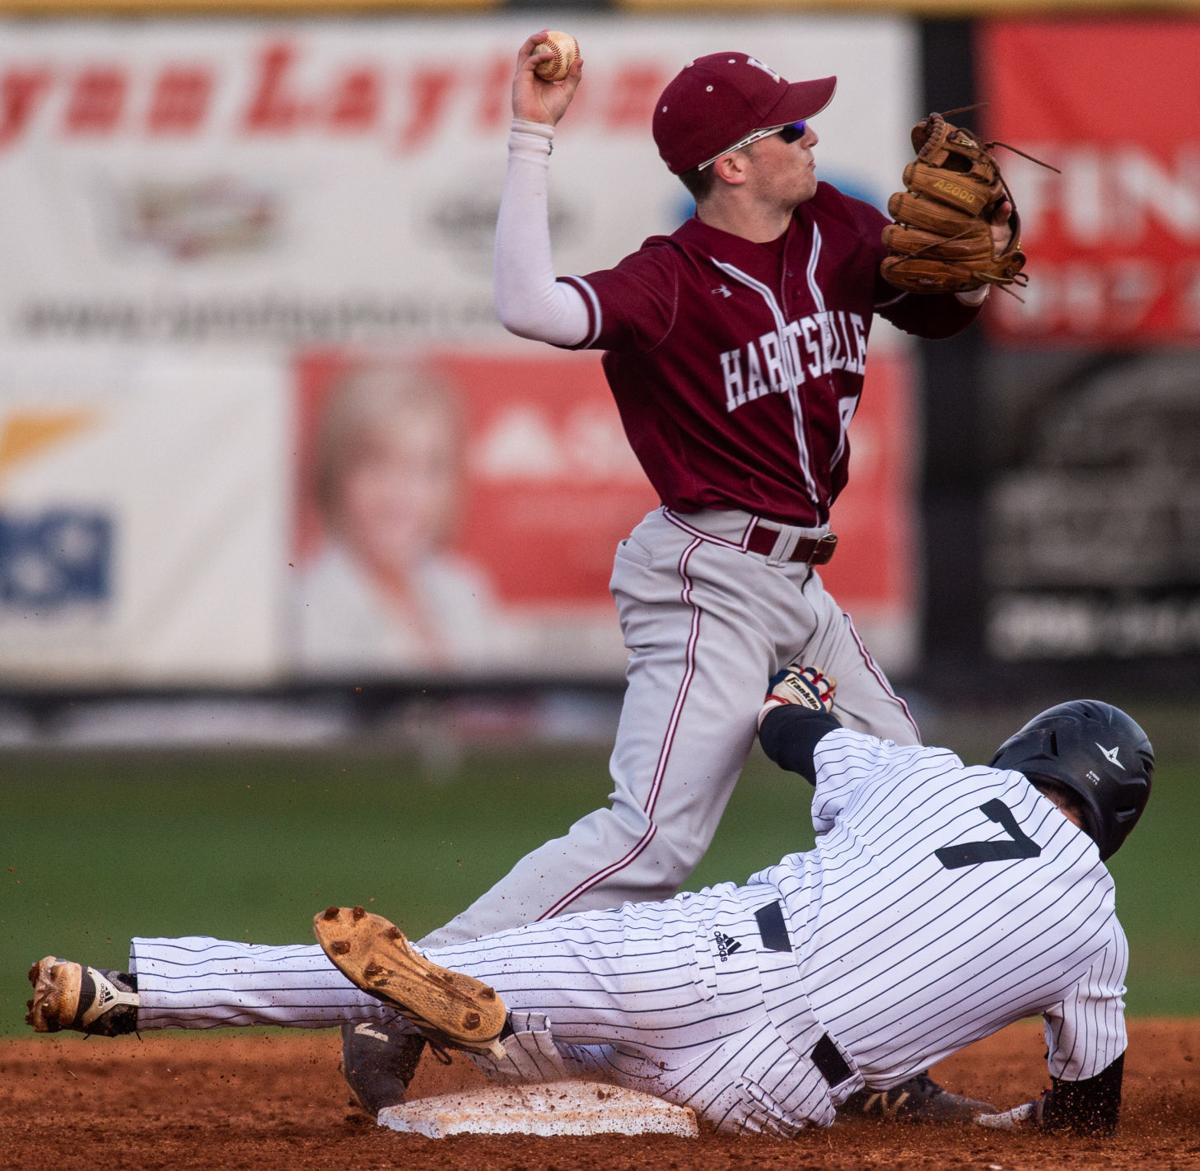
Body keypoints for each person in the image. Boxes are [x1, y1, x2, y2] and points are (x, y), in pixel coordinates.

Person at [337, 34, 1017, 1110]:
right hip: (706, 572)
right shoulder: (671, 282)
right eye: (789, 127)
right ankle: (419, 984)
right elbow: (529, 307)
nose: (812, 136)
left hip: (798, 583)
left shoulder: (836, 227)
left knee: (914, 802)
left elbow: (936, 294)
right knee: (652, 834)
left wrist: (971, 268)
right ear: (732, 164)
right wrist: (530, 134)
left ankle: (877, 1062)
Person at [27, 672, 1153, 1137]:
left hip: (702, 950)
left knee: (515, 976)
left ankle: (131, 990)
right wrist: (990, 1122)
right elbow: (1086, 1117)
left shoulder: (938, 777)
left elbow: (791, 732)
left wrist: (794, 697)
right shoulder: (1096, 935)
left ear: (1034, 750)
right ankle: (512, 1047)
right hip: (773, 1086)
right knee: (611, 1097)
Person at [292, 357, 499, 674]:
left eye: (427, 469)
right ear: (336, 474)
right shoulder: (300, 606)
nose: (403, 494)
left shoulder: (463, 588)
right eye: (379, 465)